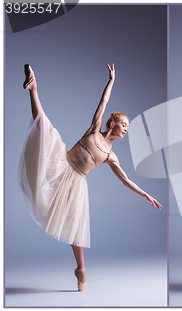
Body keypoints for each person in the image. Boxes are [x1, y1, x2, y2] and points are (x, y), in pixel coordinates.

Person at [19, 64, 162, 291]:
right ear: (112, 123)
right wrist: (111, 81)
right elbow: (103, 102)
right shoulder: (94, 129)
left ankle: (81, 269)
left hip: (76, 183)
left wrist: (146, 194)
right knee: (44, 128)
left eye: (127, 126)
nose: (126, 128)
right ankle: (33, 88)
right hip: (61, 165)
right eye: (123, 124)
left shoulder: (110, 156)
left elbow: (125, 180)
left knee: (75, 227)